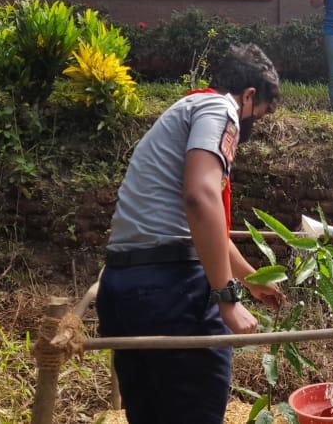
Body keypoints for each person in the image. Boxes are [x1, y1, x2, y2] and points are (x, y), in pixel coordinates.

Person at [96, 44, 286, 423]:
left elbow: (203, 227)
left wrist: (251, 280)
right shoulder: (221, 110)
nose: (253, 125)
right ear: (249, 96)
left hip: (125, 287)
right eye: (259, 115)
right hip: (172, 291)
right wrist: (227, 298)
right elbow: (200, 199)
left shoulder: (185, 111)